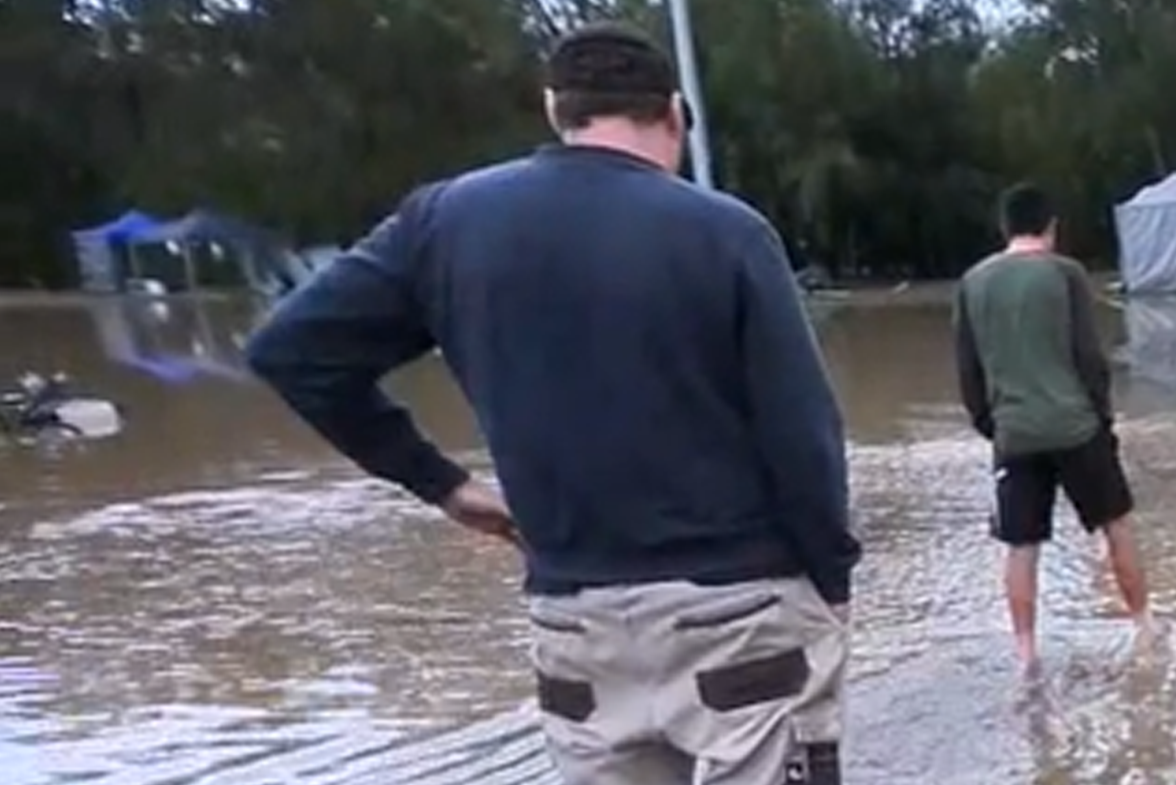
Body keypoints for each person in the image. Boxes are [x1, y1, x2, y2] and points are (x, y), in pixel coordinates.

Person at [244, 21, 860, 785]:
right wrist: (832, 578)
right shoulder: (727, 231)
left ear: (554, 110)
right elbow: (803, 433)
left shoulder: (443, 222)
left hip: (575, 622)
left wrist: (439, 483)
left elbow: (291, 352)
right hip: (739, 618)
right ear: (673, 113)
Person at [952, 182, 1150, 672]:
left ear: (1005, 228)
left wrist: (991, 426)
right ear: (1051, 228)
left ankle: (1026, 654)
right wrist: (1103, 421)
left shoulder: (972, 283)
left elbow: (968, 371)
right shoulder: (1066, 275)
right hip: (1077, 427)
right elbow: (1089, 358)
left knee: (1021, 546)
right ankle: (1145, 628)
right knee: (1117, 524)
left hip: (1014, 435)